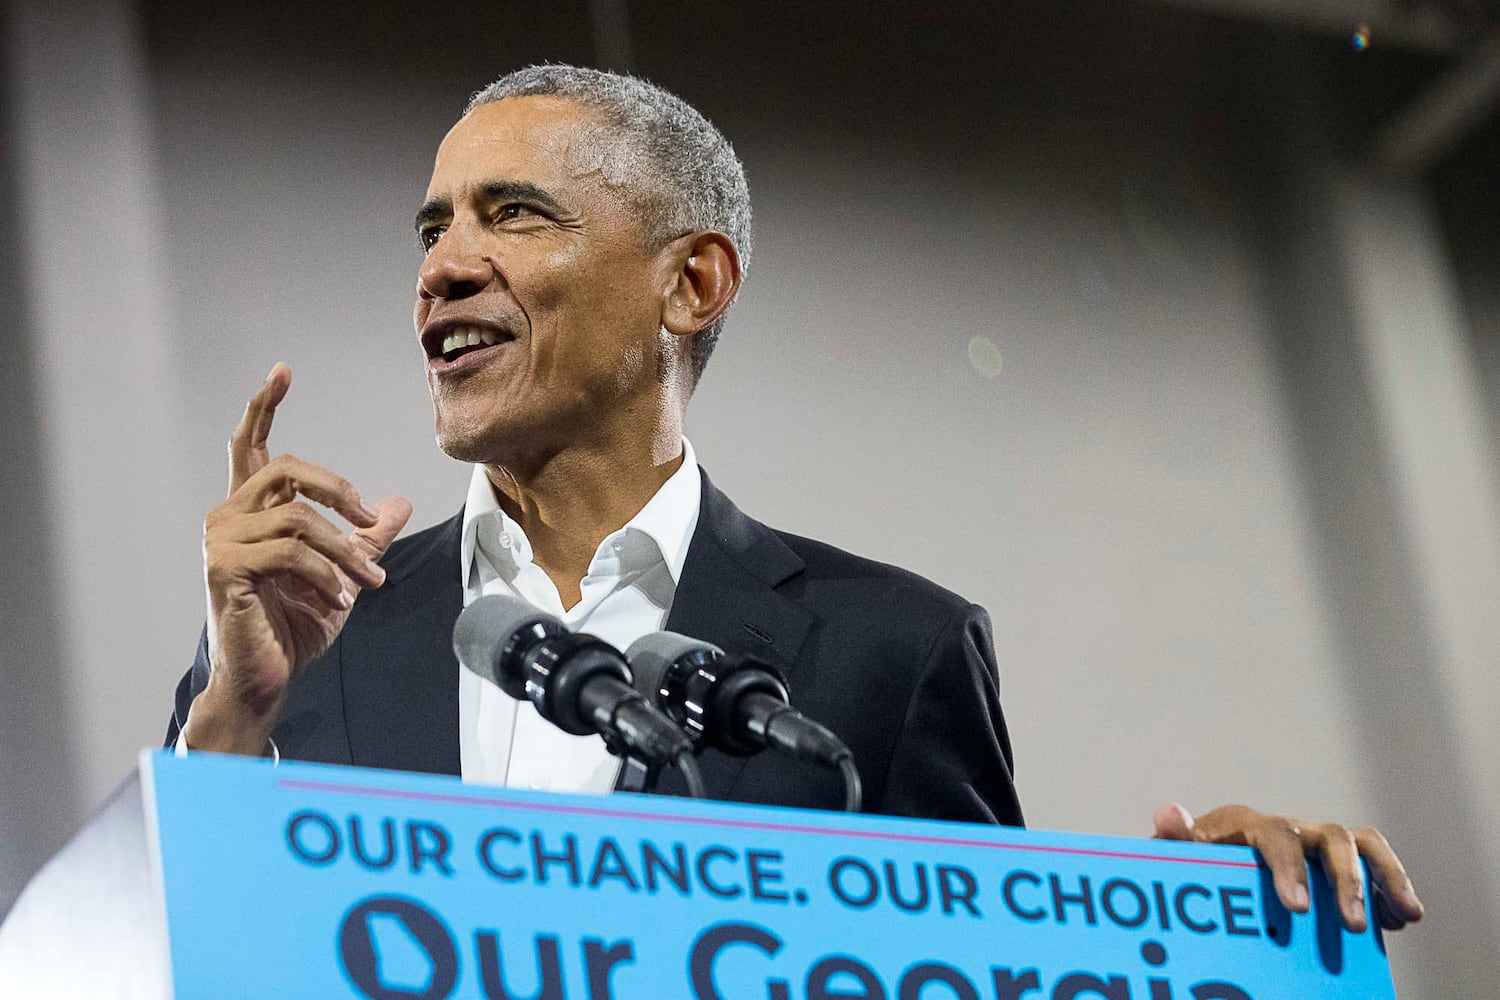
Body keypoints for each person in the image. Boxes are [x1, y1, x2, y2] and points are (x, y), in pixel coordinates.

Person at [163, 65, 1423, 936]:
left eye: (514, 213)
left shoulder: (894, 649)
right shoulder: (300, 635)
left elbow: (977, 968)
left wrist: (1189, 919)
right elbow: (172, 951)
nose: (442, 266)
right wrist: (231, 718)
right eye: (432, 229)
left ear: (691, 282)